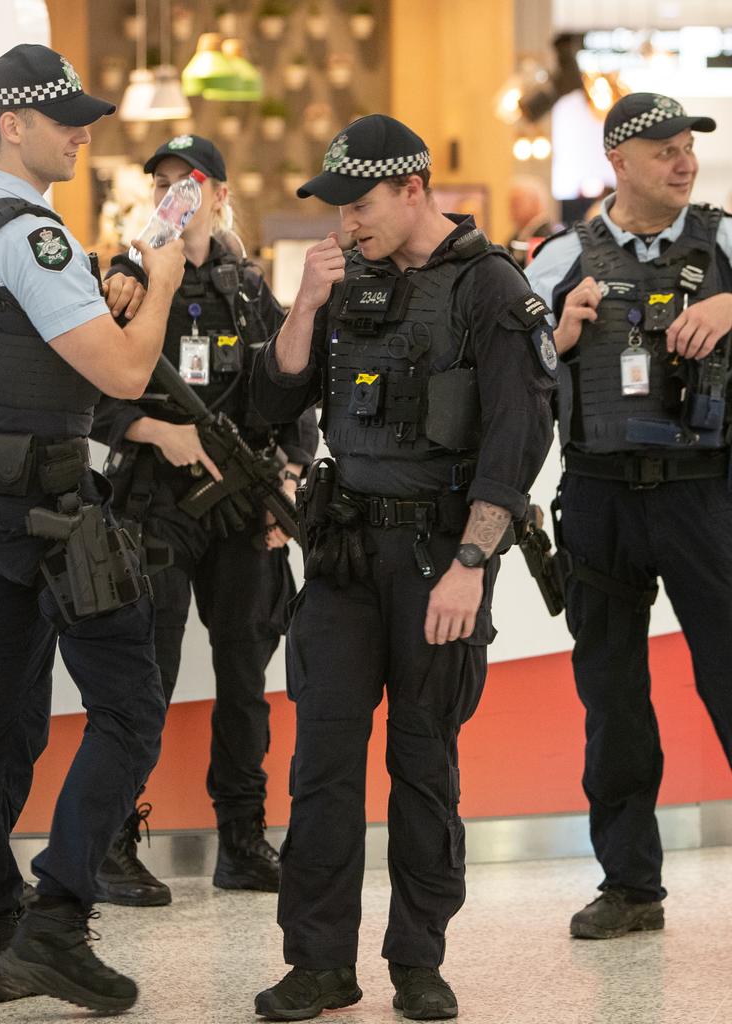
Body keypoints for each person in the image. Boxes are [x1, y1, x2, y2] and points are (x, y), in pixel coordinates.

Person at [250, 114, 556, 1021]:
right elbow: (274, 399)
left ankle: (418, 961)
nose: (345, 223)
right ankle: (318, 964)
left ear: (415, 188)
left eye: (360, 203)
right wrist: (301, 305)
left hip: (438, 561)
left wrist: (472, 561)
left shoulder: (493, 286)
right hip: (344, 557)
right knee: (323, 765)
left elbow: (518, 436)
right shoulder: (343, 283)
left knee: (424, 765)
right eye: (337, 208)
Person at [0, 44, 185, 1012]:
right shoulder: (31, 233)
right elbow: (127, 376)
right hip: (51, 509)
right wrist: (164, 277)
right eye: (63, 118)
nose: (81, 129)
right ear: (12, 124)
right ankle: (55, 919)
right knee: (132, 705)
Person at [525, 92, 732, 940]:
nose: (683, 162)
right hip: (600, 498)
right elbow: (508, 363)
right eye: (664, 151)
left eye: (688, 149)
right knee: (612, 698)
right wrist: (559, 342)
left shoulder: (722, 242)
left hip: (703, 492)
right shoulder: (557, 257)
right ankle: (630, 887)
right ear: (617, 160)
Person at [92, 134, 318, 906]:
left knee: (244, 677)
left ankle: (244, 840)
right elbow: (92, 393)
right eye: (161, 183)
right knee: (142, 674)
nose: (174, 195)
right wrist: (162, 433)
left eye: (189, 182)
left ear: (220, 194)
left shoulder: (250, 289)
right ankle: (112, 842)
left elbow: (294, 389)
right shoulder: (128, 280)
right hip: (158, 501)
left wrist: (286, 471)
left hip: (241, 507)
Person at [505, 175, 558, 268]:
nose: (510, 209)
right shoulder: (522, 234)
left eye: (516, 203)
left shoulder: (542, 236)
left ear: (535, 203)